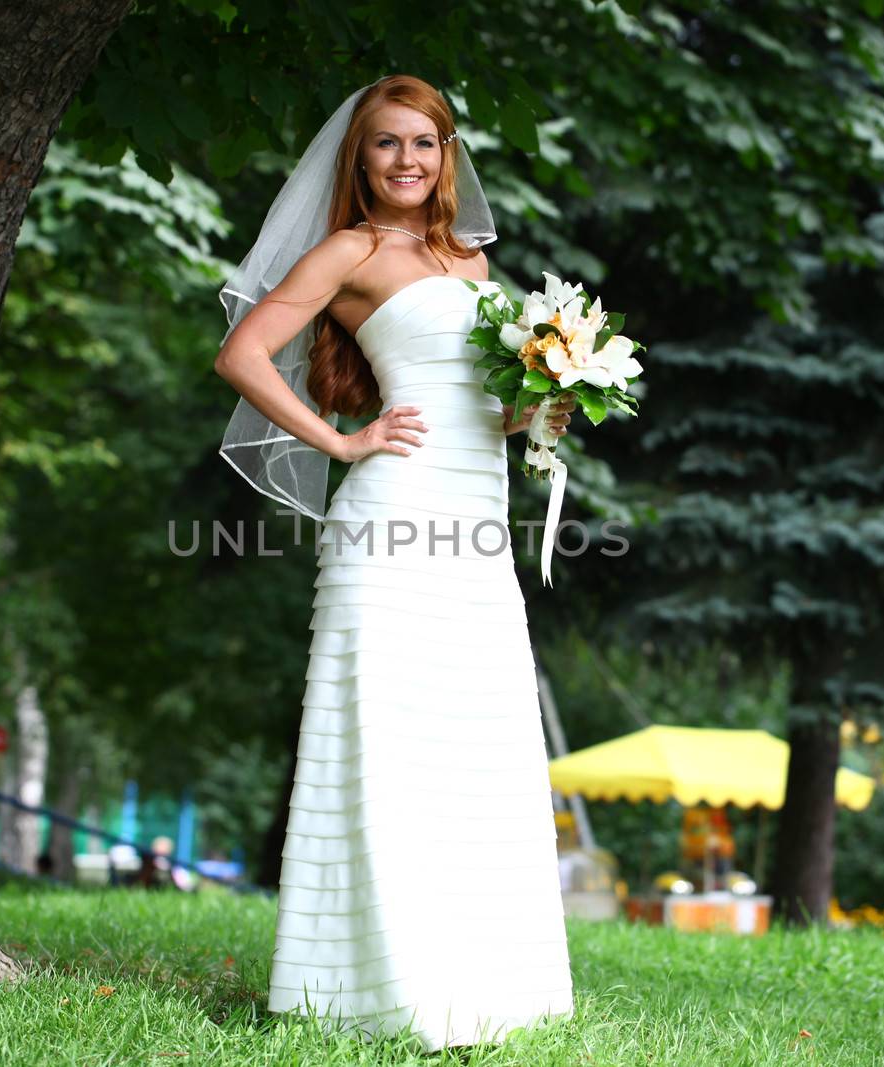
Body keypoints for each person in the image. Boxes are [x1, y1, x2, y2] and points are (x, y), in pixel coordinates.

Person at [214, 75, 578, 1053]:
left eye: (424, 143)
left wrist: (551, 395)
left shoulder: (474, 264)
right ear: (361, 159)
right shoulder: (352, 249)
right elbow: (243, 353)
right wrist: (339, 445)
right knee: (381, 739)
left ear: (446, 155)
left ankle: (484, 988)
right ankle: (364, 989)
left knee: (474, 745)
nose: (407, 160)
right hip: (392, 520)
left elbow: (491, 408)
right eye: (387, 145)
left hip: (477, 524)